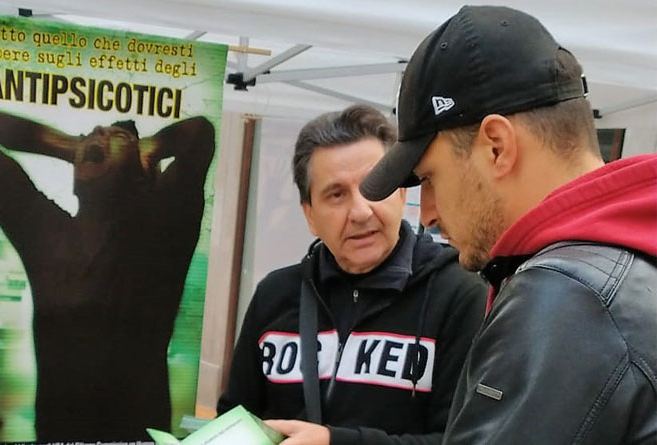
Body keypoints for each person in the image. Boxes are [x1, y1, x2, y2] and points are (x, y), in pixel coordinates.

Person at [360, 6, 657, 444]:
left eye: (430, 179)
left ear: (497, 147)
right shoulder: (629, 262)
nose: (427, 214)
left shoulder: (566, 298)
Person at [217, 104, 487, 444]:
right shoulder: (275, 295)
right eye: (336, 194)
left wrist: (336, 442)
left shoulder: (459, 294)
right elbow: (233, 420)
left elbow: (465, 440)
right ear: (310, 215)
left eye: (375, 187)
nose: (360, 212)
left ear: (402, 193)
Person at [0, 104, 215, 442]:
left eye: (116, 136)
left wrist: (145, 149)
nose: (99, 132)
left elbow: (198, 134)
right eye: (93, 132)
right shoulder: (45, 234)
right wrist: (74, 145)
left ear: (142, 174)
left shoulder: (163, 237)